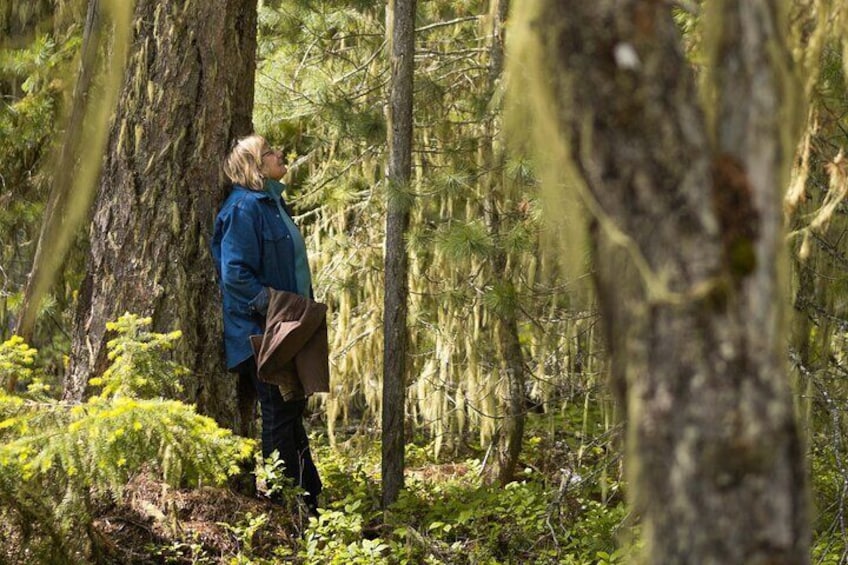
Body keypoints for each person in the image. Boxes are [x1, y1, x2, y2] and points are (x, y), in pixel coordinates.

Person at [211, 134, 322, 514]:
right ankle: (287, 503)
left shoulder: (274, 204)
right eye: (270, 151)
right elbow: (235, 274)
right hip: (262, 330)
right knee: (278, 410)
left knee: (290, 410)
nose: (280, 153)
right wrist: (275, 308)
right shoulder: (244, 208)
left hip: (288, 326)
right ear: (255, 166)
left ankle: (307, 498)